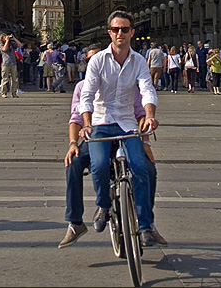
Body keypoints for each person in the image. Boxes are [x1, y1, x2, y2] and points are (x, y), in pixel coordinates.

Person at [59, 43, 167, 249]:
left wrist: (146, 142)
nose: (93, 63)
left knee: (149, 170)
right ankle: (75, 223)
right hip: (95, 132)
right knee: (73, 163)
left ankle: (148, 222)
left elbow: (140, 111)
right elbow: (75, 119)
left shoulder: (127, 79)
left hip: (125, 129)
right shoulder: (82, 87)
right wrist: (73, 143)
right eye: (89, 60)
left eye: (95, 59)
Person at [79, 9, 162, 248]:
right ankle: (103, 206)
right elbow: (87, 94)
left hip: (127, 123)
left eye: (124, 29)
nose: (120, 33)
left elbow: (147, 89)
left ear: (132, 33)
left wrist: (149, 115)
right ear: (109, 32)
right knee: (99, 165)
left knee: (140, 168)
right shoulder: (97, 61)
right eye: (115, 29)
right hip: (102, 122)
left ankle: (145, 226)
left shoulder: (139, 61)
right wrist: (86, 123)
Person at [0, 32, 23, 98]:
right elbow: (4, 49)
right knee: (5, 78)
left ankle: (14, 93)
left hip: (13, 63)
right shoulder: (1, 45)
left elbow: (20, 45)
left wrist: (14, 39)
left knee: (14, 79)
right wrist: (7, 41)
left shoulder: (12, 44)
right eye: (4, 37)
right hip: (5, 63)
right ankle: (4, 92)